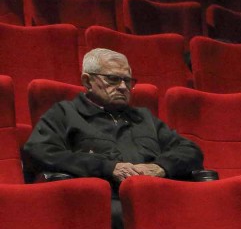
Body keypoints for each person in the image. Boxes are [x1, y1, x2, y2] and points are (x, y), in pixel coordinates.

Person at [23, 48, 204, 185]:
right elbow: (39, 152)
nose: (123, 87)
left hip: (154, 195)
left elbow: (190, 151)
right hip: (103, 201)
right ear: (87, 81)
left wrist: (160, 167)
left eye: (127, 80)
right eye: (113, 79)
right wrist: (107, 167)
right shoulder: (65, 113)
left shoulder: (143, 117)